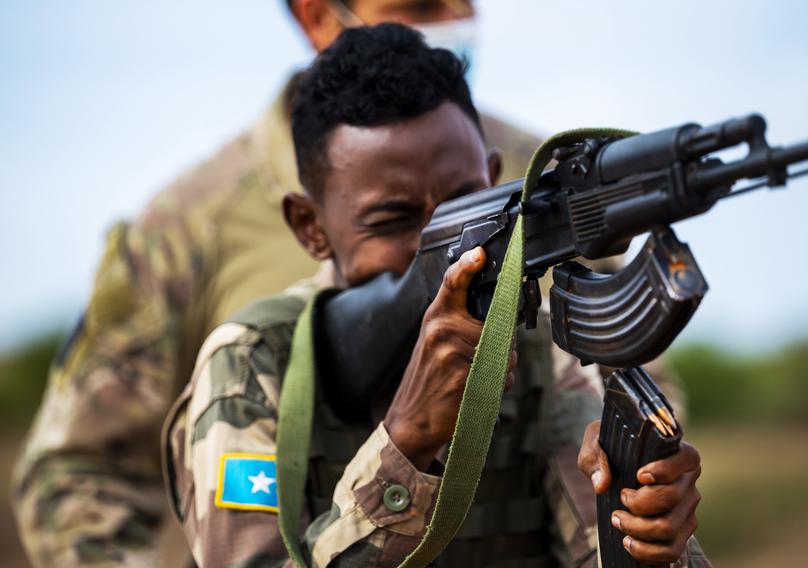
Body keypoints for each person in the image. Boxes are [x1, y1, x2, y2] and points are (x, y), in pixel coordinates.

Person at [11, 2, 546, 566]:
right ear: (316, 15)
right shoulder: (191, 223)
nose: (449, 19)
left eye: (460, 2)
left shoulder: (535, 168)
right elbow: (79, 472)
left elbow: (614, 370)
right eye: (416, 5)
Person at [164, 24, 708, 568]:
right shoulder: (253, 363)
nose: (443, 250)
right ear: (310, 226)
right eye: (392, 219)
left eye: (465, 204)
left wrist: (649, 539)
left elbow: (601, 546)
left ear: (495, 178)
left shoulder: (540, 347)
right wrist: (407, 440)